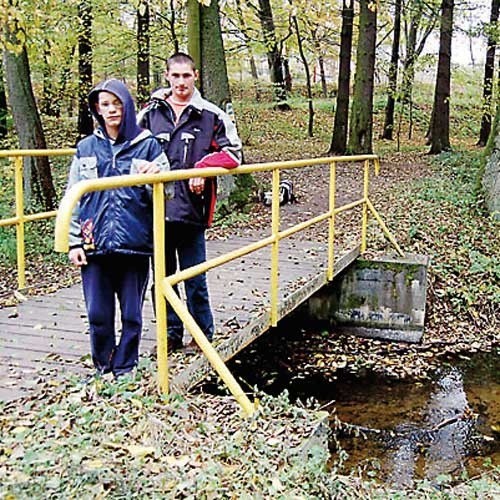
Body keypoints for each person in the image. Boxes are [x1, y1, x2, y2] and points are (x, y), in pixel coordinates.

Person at [138, 52, 242, 351]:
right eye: (176, 75)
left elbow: (234, 154)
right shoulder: (149, 114)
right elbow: (130, 150)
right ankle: (170, 336)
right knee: (163, 278)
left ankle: (202, 334)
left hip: (191, 208)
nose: (181, 82)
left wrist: (203, 169)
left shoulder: (211, 115)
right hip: (156, 207)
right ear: (167, 76)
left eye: (187, 75)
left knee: (195, 276)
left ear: (195, 76)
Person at [67, 78, 170, 378]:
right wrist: (74, 242)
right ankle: (103, 367)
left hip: (134, 242)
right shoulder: (86, 147)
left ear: (127, 105)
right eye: (105, 105)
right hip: (93, 242)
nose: (111, 110)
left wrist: (157, 177)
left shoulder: (147, 144)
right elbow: (74, 196)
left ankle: (125, 367)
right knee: (98, 314)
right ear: (97, 110)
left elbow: (168, 196)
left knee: (131, 315)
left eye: (117, 103)